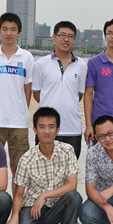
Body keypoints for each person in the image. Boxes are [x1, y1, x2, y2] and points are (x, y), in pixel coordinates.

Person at [4, 107, 82, 224]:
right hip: (32, 208)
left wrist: (44, 196)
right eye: (42, 127)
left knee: (74, 197)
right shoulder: (27, 159)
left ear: (58, 130)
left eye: (51, 127)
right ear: (35, 130)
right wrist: (14, 216)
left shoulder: (67, 150)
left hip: (56, 206)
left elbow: (72, 185)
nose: (47, 131)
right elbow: (19, 194)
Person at [0, 12, 34, 188]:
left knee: (18, 168)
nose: (9, 33)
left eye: (13, 29)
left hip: (18, 122)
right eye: (5, 29)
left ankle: (17, 204)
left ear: (19, 32)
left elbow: (27, 89)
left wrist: (21, 111)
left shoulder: (27, 57)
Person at [32, 21, 88, 158]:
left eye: (70, 36)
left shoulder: (81, 65)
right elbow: (37, 94)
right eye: (62, 35)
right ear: (54, 37)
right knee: (44, 168)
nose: (66, 39)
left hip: (72, 128)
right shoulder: (41, 64)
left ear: (74, 40)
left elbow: (79, 95)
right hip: (47, 128)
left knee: (71, 168)